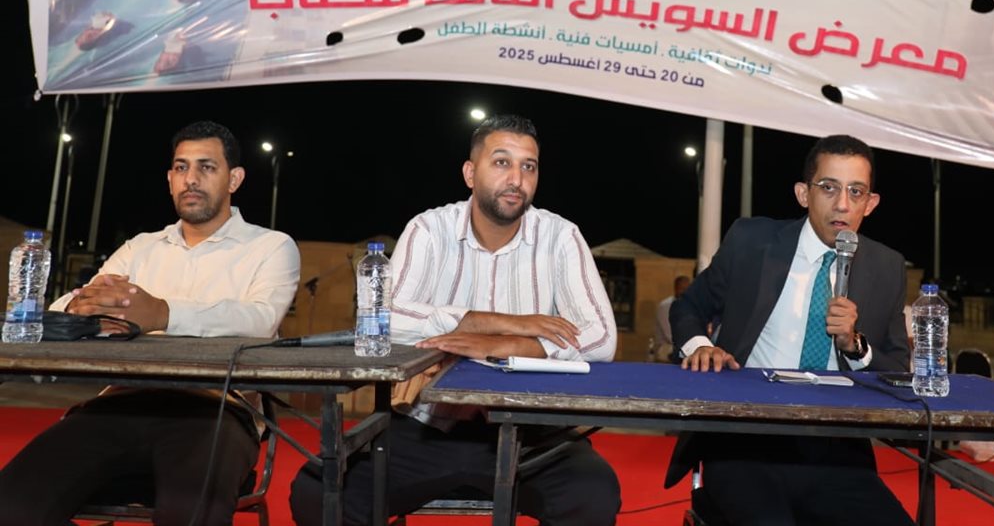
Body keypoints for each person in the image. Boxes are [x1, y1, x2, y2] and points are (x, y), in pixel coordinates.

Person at [289, 114, 621, 526]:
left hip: (533, 434)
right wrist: (487, 322)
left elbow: (602, 337)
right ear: (470, 172)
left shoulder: (561, 237)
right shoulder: (429, 229)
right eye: (502, 162)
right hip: (426, 427)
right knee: (317, 491)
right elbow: (383, 319)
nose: (516, 179)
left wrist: (514, 346)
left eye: (529, 166)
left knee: (593, 496)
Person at [0, 120, 300, 526]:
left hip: (217, 411)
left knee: (190, 512)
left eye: (207, 167)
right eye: (181, 167)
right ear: (169, 179)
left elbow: (260, 320)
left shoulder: (270, 247)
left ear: (235, 179)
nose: (190, 179)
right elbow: (68, 305)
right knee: (12, 505)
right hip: (118, 404)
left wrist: (162, 313)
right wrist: (83, 310)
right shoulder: (140, 248)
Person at [665, 134, 913, 526]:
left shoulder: (886, 267)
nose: (842, 204)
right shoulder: (752, 242)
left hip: (838, 454)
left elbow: (898, 371)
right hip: (745, 442)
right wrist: (700, 346)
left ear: (871, 203)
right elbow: (689, 307)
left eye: (856, 191)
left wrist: (856, 346)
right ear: (803, 193)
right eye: (828, 187)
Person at [653, 275, 691, 361]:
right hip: (665, 347)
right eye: (682, 289)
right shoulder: (665, 306)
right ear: (675, 289)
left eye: (687, 289)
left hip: (683, 344)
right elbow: (669, 335)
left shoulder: (688, 306)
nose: (685, 292)